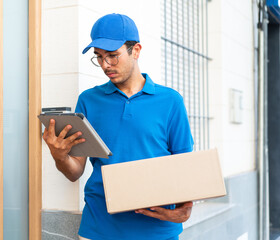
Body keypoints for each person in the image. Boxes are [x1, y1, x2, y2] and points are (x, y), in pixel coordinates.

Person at [43, 13, 194, 240]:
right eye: (99, 57)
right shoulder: (89, 100)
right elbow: (75, 172)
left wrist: (186, 209)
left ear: (136, 51)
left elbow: (185, 166)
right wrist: (59, 156)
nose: (105, 65)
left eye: (113, 56)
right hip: (99, 227)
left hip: (157, 229)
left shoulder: (170, 101)